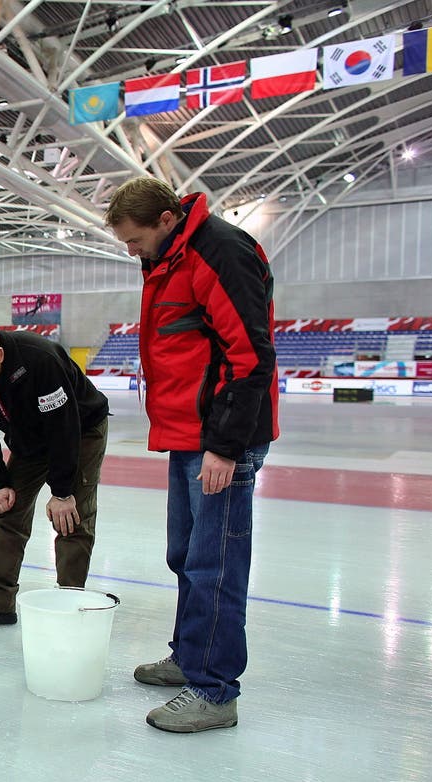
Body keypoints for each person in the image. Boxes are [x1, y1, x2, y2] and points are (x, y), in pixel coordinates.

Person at [105, 176, 278, 733]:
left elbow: (250, 355)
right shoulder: (167, 258)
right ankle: (189, 657)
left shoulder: (219, 251)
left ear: (165, 219)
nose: (130, 251)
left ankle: (215, 690)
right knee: (187, 557)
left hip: (221, 442)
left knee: (216, 565)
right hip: (187, 436)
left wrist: (225, 448)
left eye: (134, 240)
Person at [0, 321, 109, 628]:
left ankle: (69, 601)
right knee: (9, 513)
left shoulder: (40, 359)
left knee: (70, 516)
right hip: (27, 439)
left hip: (80, 429)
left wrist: (62, 492)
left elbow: (64, 428)